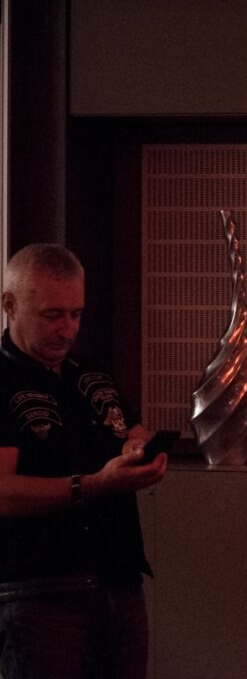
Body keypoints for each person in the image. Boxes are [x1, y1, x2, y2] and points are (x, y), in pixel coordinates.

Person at [0, 244, 168, 679]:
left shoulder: (88, 373)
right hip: (42, 592)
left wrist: (137, 450)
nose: (68, 329)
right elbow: (2, 491)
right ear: (9, 305)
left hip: (120, 580)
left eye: (76, 314)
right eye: (52, 315)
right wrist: (93, 485)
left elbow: (132, 429)